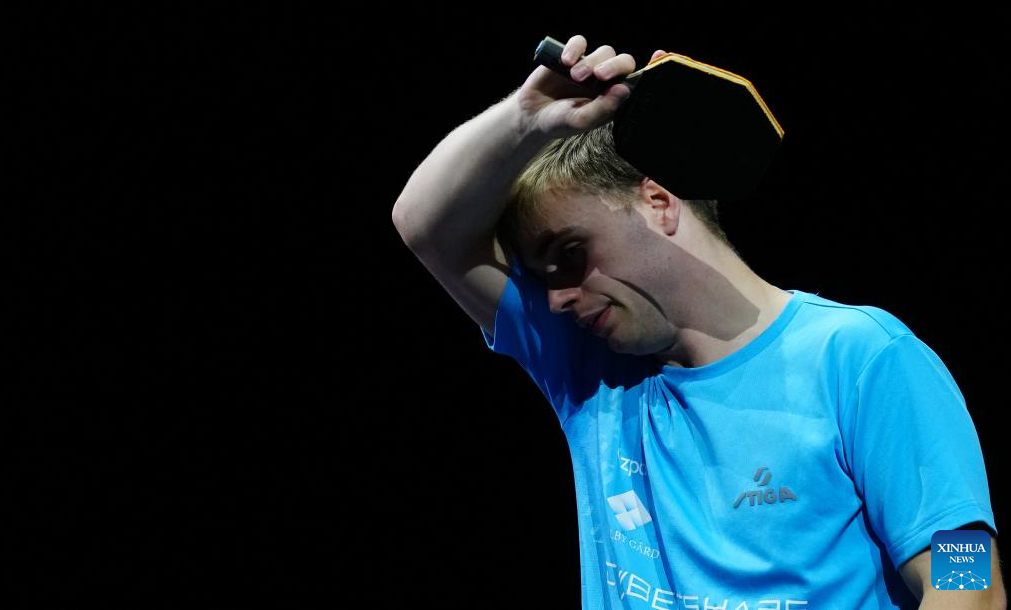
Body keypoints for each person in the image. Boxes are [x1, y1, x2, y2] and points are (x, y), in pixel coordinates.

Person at [392, 34, 1003, 609]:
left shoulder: (861, 355)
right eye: (545, 276)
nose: (557, 301)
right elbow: (424, 225)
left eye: (571, 255)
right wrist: (526, 119)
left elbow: (967, 571)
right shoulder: (588, 374)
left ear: (658, 203)